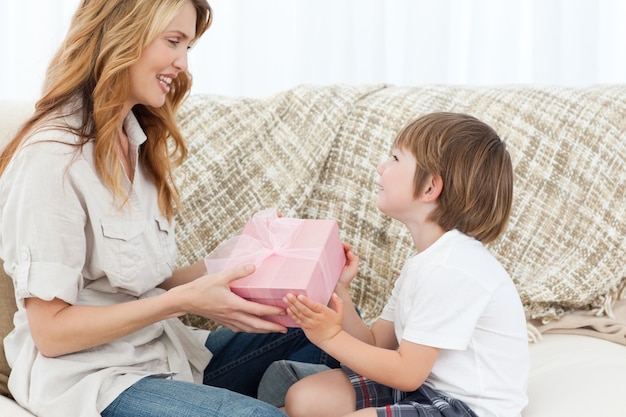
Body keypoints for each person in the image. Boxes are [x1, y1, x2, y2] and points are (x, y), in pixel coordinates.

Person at [0, 1, 340, 417]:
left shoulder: (136, 143)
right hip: (94, 381)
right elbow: (50, 332)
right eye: (173, 41)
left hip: (167, 359)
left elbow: (146, 285)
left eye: (188, 47)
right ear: (121, 35)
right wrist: (186, 302)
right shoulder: (53, 157)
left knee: (327, 322)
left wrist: (248, 256)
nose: (182, 64)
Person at [279, 112, 529, 417]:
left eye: (395, 158)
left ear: (429, 189)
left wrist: (329, 337)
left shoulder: (452, 268)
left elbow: (408, 371)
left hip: (468, 408)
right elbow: (376, 344)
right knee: (304, 397)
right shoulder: (424, 263)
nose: (381, 167)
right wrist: (339, 289)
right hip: (426, 389)